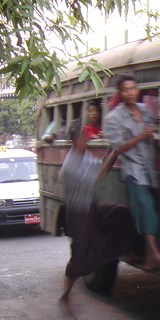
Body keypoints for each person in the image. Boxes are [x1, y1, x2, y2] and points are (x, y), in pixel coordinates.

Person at [59, 120, 141, 308]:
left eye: (85, 137)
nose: (85, 141)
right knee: (79, 258)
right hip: (78, 213)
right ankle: (66, 295)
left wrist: (112, 147)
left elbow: (100, 164)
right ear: (73, 141)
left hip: (91, 207)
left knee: (121, 213)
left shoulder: (83, 154)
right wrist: (116, 151)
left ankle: (126, 251)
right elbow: (101, 174)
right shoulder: (71, 164)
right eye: (81, 138)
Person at [105, 73, 160, 271]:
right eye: (125, 90)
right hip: (134, 171)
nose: (130, 93)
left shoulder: (144, 110)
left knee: (151, 210)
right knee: (146, 208)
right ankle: (153, 253)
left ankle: (149, 256)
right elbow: (117, 147)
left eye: (133, 88)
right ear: (119, 92)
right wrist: (141, 135)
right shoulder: (113, 118)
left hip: (150, 169)